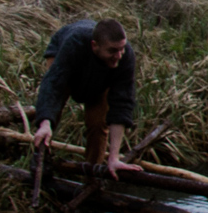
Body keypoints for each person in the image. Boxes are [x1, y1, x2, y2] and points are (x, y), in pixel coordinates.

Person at [32, 18, 137, 177]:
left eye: (121, 49)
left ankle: (92, 174)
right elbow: (53, 86)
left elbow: (122, 104)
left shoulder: (125, 56)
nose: (119, 55)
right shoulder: (74, 43)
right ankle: (41, 159)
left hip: (101, 73)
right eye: (112, 51)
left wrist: (114, 157)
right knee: (52, 110)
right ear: (95, 45)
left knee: (97, 123)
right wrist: (45, 122)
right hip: (67, 62)